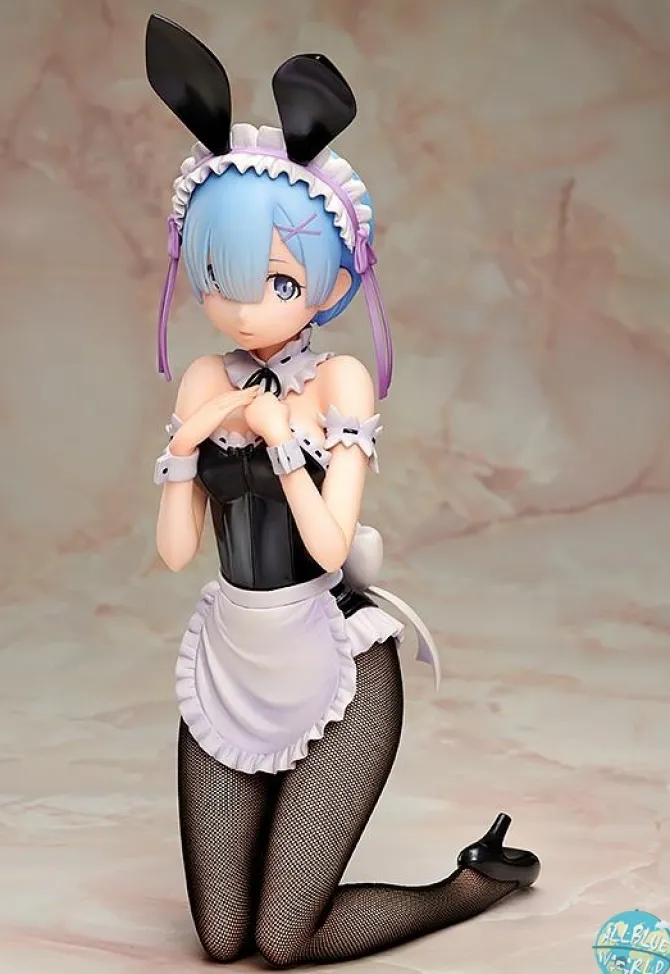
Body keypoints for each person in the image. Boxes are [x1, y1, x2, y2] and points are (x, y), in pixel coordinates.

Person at [146, 14, 540, 967]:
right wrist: (191, 442)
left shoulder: (339, 383)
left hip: (335, 665)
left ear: (328, 285)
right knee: (221, 942)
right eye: (219, 276)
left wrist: (282, 438)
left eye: (277, 283)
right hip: (233, 661)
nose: (244, 306)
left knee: (282, 943)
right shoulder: (202, 380)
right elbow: (175, 550)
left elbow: (330, 549)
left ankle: (473, 883)